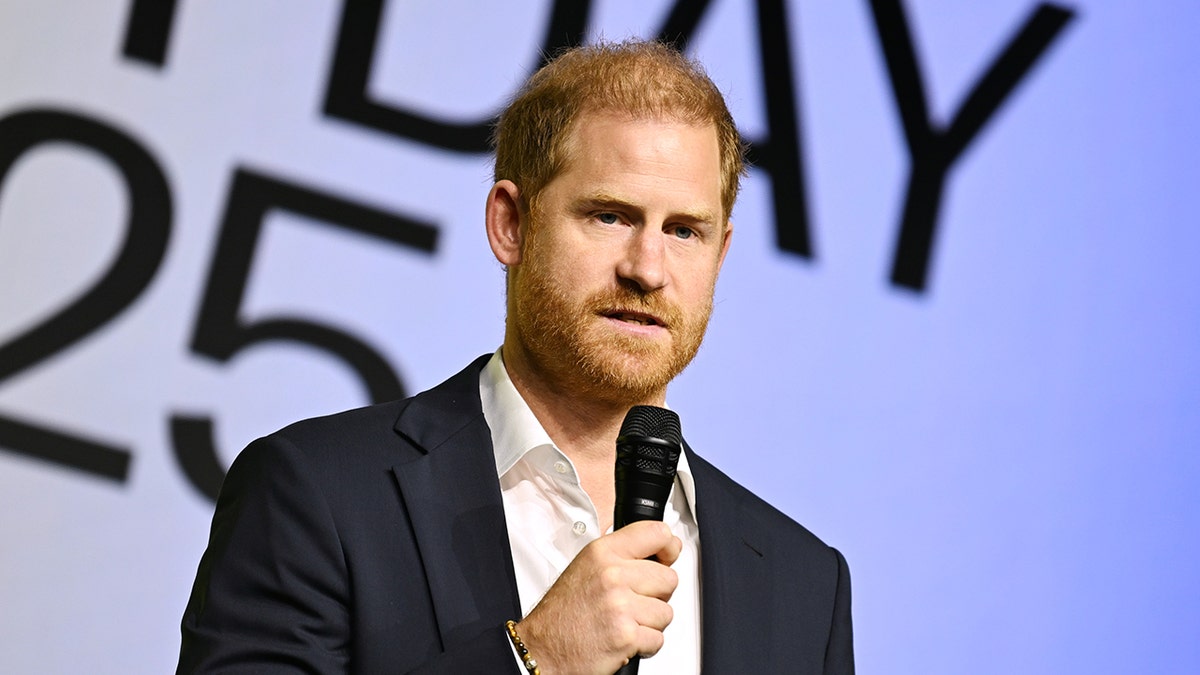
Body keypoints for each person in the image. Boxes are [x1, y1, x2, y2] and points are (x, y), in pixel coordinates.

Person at [178, 40, 853, 674]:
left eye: (684, 230)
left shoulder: (803, 584)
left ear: (721, 253)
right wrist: (532, 658)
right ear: (511, 223)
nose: (648, 268)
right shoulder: (317, 494)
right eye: (609, 215)